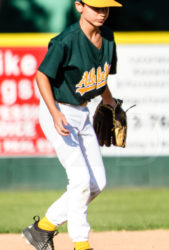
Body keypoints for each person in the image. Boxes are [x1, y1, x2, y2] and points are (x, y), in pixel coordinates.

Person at [22, 1, 123, 250]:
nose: (101, 13)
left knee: (97, 183)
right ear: (79, 6)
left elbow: (101, 75)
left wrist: (109, 102)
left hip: (82, 112)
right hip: (58, 111)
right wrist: (55, 113)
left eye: (106, 8)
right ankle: (81, 244)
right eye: (95, 7)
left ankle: (43, 228)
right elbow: (41, 75)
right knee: (79, 181)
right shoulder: (65, 40)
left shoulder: (108, 38)